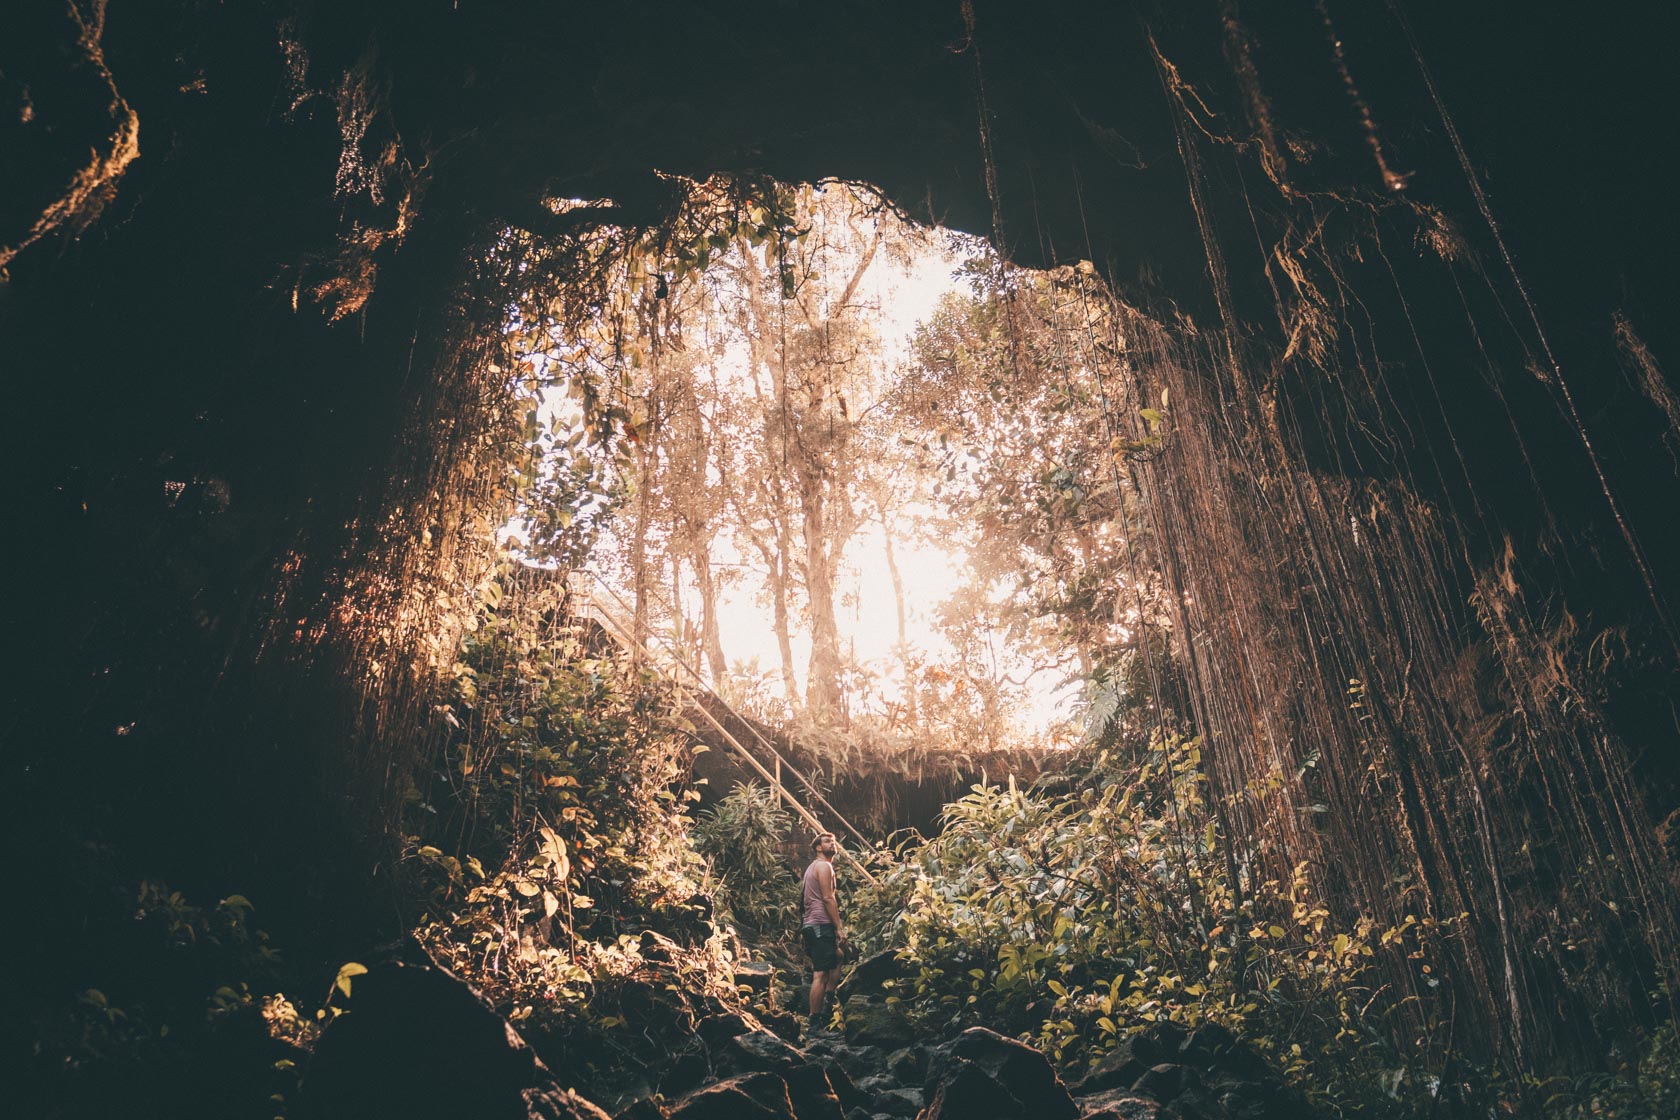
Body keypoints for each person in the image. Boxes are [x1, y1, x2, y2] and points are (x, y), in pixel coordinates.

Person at [800, 830, 847, 1023]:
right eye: (827, 841)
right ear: (818, 847)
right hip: (820, 923)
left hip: (811, 925)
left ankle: (828, 998)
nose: (832, 843)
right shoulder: (824, 867)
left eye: (834, 841)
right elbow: (828, 898)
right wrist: (838, 927)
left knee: (838, 956)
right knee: (820, 973)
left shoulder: (813, 867)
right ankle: (815, 1020)